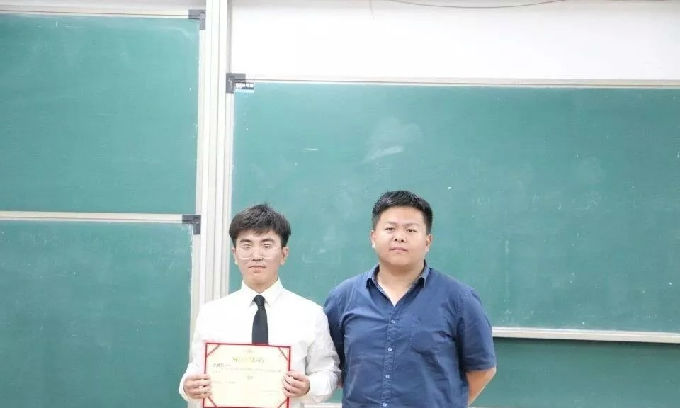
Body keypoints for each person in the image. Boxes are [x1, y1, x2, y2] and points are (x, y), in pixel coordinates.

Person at [324, 190, 496, 408]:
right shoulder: (342, 297)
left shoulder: (460, 300)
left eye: (411, 229)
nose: (399, 237)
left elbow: (482, 369)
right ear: (373, 238)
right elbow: (332, 365)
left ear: (428, 241)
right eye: (390, 228)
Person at [179, 204, 340, 407]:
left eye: (266, 245)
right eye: (246, 245)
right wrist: (188, 386)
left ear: (284, 254)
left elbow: (328, 372)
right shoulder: (212, 313)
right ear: (235, 254)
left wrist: (309, 386)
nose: (256, 255)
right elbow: (196, 369)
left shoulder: (310, 314)